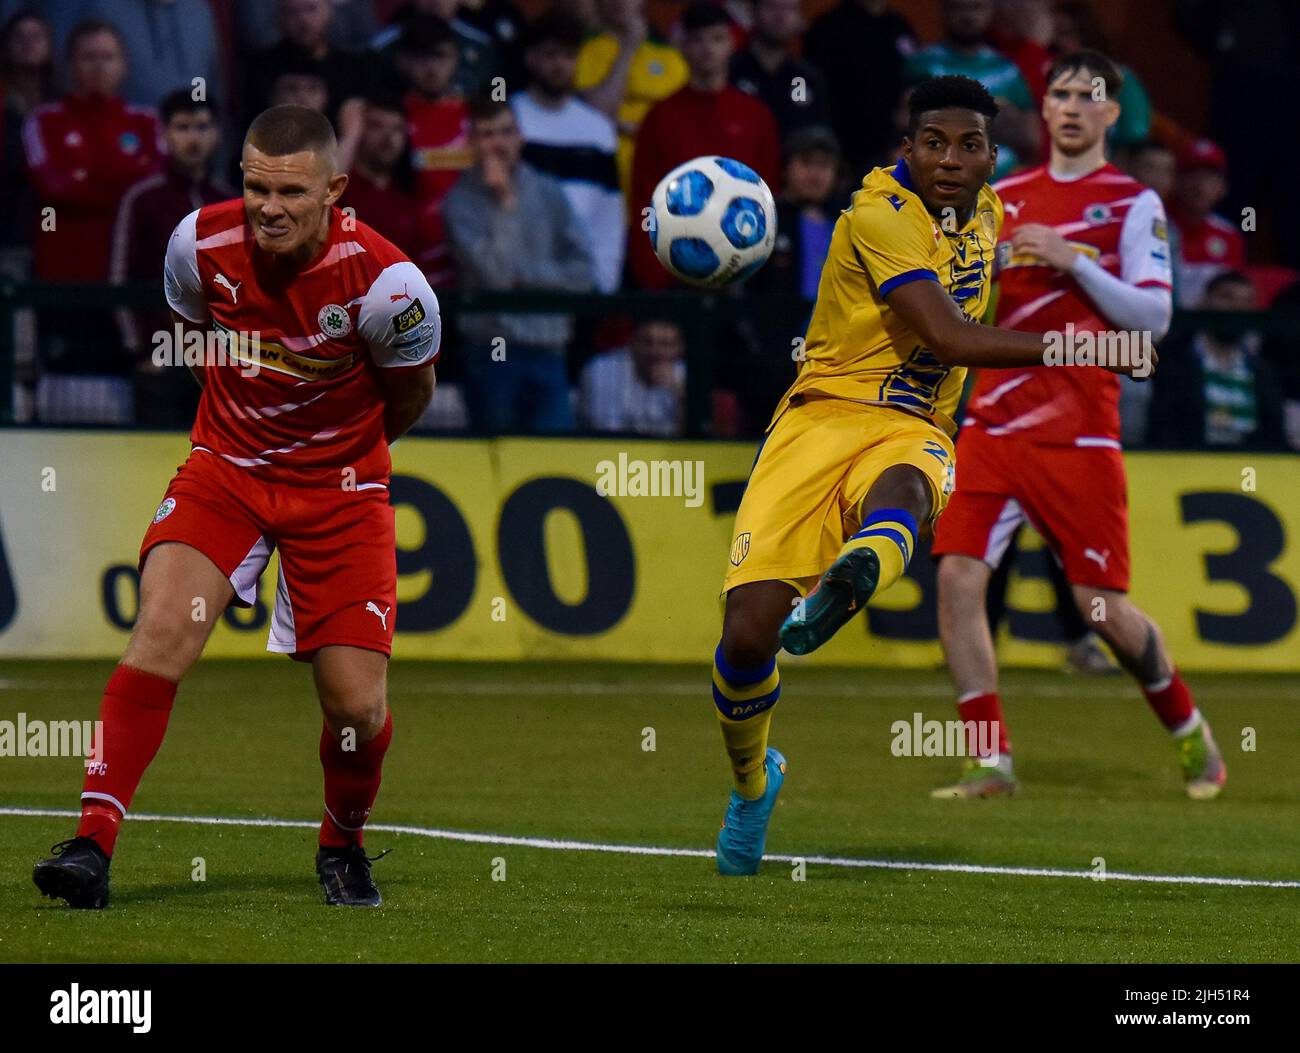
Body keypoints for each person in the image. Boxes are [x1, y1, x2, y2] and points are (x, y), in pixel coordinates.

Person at [708, 75, 1145, 877]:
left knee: (908, 484)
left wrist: (1106, 284)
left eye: (969, 145)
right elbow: (949, 337)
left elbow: (1045, 271)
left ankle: (864, 564)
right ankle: (752, 780)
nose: (950, 159)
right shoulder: (878, 214)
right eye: (934, 143)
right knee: (745, 635)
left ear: (991, 157)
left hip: (913, 427)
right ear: (905, 149)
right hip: (817, 418)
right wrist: (1090, 348)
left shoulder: (990, 214)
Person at [31, 104, 441, 910]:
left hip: (343, 494)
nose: (269, 208)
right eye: (256, 188)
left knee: (356, 707)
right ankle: (90, 844)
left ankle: (342, 844)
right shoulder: (195, 243)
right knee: (159, 633)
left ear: (336, 191)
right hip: (226, 473)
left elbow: (412, 391)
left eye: (290, 192)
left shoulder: (391, 286)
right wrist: (234, 438)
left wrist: (338, 458)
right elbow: (194, 337)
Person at [929, 51, 1224, 800]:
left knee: (1103, 611)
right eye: (1057, 94)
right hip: (992, 424)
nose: (1068, 106)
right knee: (958, 578)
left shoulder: (1133, 204)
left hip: (1079, 430)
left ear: (1111, 113)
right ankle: (989, 760)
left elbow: (1153, 317)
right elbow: (961, 307)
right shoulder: (1001, 195)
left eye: (1084, 96)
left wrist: (1075, 263)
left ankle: (1190, 730)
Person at [23, 18, 163, 423]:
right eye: (88, 57)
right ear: (70, 66)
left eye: (108, 57)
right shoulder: (44, 121)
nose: (99, 66)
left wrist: (88, 175)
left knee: (123, 387)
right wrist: (118, 178)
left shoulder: (145, 122)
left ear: (124, 65)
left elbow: (148, 191)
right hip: (63, 281)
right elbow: (53, 187)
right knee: (63, 393)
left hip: (125, 283)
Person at [443, 97, 592, 434]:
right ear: (471, 143)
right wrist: (504, 205)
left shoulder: (548, 190)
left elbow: (584, 273)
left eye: (506, 132)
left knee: (553, 461)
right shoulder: (459, 203)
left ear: (520, 137)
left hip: (550, 348)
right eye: (486, 134)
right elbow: (495, 278)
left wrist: (526, 277)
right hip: (492, 352)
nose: (498, 143)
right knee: (499, 460)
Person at [627, 2, 780, 289]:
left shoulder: (755, 115)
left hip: (744, 272)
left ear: (732, 44)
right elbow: (644, 202)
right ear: (682, 46)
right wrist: (655, 284)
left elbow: (769, 192)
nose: (707, 48)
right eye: (697, 40)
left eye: (717, 38)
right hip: (676, 271)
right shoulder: (660, 117)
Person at [111, 90, 233, 428]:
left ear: (217, 134)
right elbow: (120, 281)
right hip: (161, 360)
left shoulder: (230, 202)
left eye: (203, 126)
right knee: (153, 469)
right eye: (182, 127)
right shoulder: (143, 198)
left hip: (220, 367)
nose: (194, 137)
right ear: (164, 134)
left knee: (217, 467)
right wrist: (141, 351)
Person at [512, 11, 624, 293]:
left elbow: (608, 213)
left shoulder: (597, 129)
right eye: (550, 55)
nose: (559, 65)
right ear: (531, 59)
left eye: (568, 56)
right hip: (520, 276)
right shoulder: (510, 120)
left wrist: (605, 281)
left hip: (582, 279)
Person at [1148, 271, 1284, 450]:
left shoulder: (1263, 371)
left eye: (1247, 302)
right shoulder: (1171, 362)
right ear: (1204, 301)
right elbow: (1163, 427)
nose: (1238, 308)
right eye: (1227, 297)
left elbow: (1273, 433)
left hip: (1248, 470)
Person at [904, 0, 1040, 179]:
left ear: (991, 10)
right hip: (943, 184)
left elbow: (1032, 138)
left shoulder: (1008, 69)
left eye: (976, 7)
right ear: (944, 12)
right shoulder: (921, 65)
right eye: (958, 7)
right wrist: (997, 118)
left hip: (1001, 185)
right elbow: (908, 126)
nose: (967, 16)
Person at [574, 0, 688, 198]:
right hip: (606, 182)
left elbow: (686, 123)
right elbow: (597, 114)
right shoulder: (585, 51)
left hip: (664, 182)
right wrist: (629, 47)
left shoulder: (669, 56)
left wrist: (626, 126)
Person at [398, 13, 472, 287]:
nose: (431, 68)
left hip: (469, 257)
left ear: (455, 60)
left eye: (440, 57)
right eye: (421, 58)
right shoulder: (393, 118)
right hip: (413, 259)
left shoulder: (474, 116)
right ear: (405, 62)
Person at [803, 0, 916, 175]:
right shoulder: (827, 27)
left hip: (890, 149)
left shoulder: (900, 27)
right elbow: (812, 92)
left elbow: (908, 89)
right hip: (843, 151)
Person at [729, 0, 831, 142]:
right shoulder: (729, 71)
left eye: (790, 9)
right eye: (772, 7)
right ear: (753, 11)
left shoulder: (808, 78)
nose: (781, 16)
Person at [339, 95, 420, 260]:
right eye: (377, 126)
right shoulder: (341, 187)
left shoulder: (409, 191)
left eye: (397, 129)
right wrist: (350, 136)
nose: (388, 137)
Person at [1170, 137, 1245, 308]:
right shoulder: (1157, 227)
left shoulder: (1229, 236)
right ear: (1175, 181)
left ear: (1223, 187)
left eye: (1210, 176)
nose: (1200, 185)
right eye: (1191, 174)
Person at [579, 318, 685, 435]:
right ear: (632, 343)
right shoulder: (603, 369)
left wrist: (680, 396)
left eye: (665, 344)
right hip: (614, 450)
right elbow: (605, 429)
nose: (656, 351)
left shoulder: (685, 376)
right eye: (648, 342)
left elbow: (692, 436)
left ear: (679, 348)